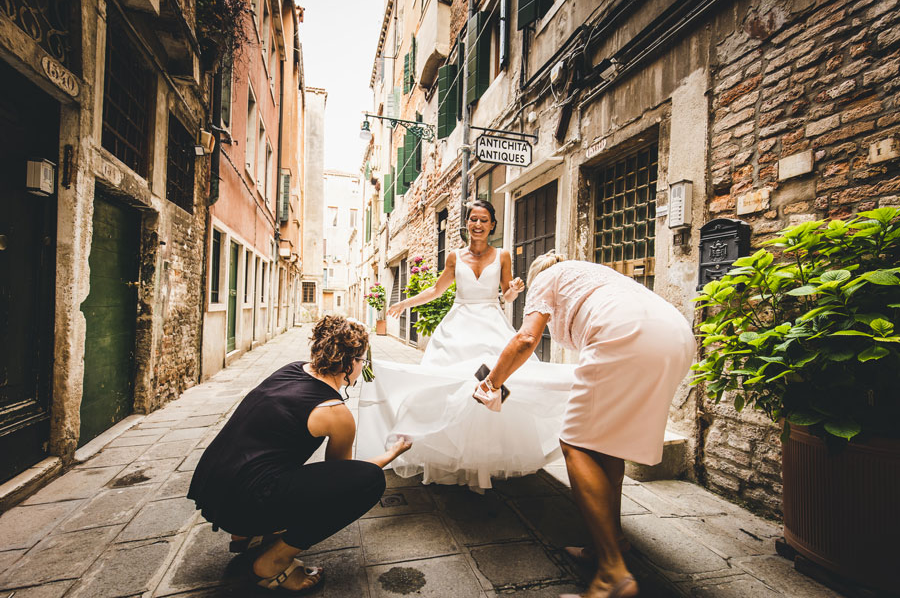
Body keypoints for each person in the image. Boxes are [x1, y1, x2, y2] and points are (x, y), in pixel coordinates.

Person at [471, 250, 695, 598]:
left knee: (575, 442)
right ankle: (612, 543)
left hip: (626, 336)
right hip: (677, 336)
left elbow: (527, 339)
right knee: (608, 441)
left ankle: (612, 574)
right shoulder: (596, 275)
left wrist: (491, 383)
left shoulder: (546, 277)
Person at [356, 200, 575, 491]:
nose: (478, 225)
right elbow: (437, 290)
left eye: (484, 220)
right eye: (473, 219)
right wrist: (404, 303)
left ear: (492, 225)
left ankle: (486, 460)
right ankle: (452, 455)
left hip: (490, 323)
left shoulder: (503, 256)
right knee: (449, 385)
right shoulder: (454, 258)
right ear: (467, 223)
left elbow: (507, 297)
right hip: (458, 326)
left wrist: (513, 290)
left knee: (496, 384)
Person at [187, 316, 412, 595]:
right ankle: (272, 562)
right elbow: (343, 475)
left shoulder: (291, 369)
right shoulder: (334, 412)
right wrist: (391, 453)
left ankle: (247, 535)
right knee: (370, 481)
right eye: (363, 361)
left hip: (214, 491)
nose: (363, 367)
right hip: (243, 502)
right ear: (350, 363)